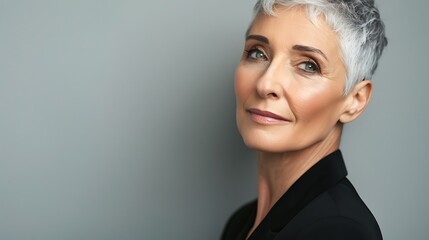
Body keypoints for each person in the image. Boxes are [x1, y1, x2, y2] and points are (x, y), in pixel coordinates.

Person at [221, 0, 387, 239]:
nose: (265, 84)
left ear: (355, 100)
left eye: (308, 65)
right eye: (257, 53)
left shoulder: (339, 231)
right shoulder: (240, 223)